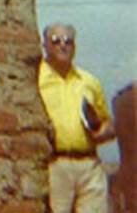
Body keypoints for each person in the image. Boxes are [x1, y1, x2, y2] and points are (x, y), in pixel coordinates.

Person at [38, 22, 117, 213]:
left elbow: (107, 122)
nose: (63, 46)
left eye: (68, 41)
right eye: (56, 41)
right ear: (45, 45)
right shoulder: (36, 80)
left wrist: (105, 130)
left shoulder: (89, 82)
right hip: (55, 165)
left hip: (89, 164)